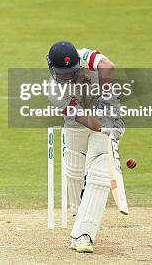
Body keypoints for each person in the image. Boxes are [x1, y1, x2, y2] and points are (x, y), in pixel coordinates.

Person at [47, 40, 124, 253]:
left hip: (111, 117)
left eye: (70, 72)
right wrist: (99, 125)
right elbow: (84, 119)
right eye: (62, 73)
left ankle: (84, 233)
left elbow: (108, 66)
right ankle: (80, 215)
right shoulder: (54, 91)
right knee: (74, 169)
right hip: (81, 124)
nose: (67, 77)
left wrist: (106, 101)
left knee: (99, 173)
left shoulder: (85, 56)